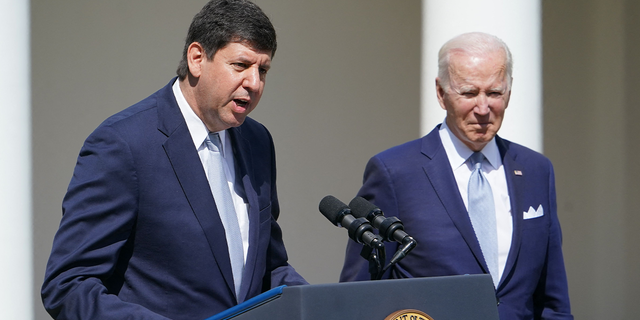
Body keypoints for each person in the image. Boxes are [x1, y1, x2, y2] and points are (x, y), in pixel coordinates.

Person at [41, 1, 307, 319]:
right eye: (240, 65)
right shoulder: (124, 143)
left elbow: (268, 268)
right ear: (197, 58)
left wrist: (329, 305)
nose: (254, 83)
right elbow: (68, 285)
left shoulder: (257, 141)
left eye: (262, 70)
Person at [340, 32, 572, 320]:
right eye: (469, 93)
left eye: (495, 93)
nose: (483, 108)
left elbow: (553, 300)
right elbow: (358, 294)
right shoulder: (395, 173)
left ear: (509, 93)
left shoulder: (537, 170)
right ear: (441, 93)